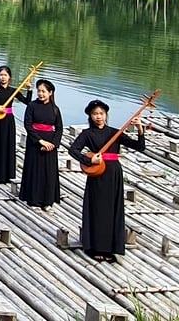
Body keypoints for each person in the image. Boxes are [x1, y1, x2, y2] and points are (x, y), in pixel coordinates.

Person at [69, 99, 146, 262]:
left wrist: (139, 128)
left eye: (101, 114)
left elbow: (139, 147)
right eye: (95, 114)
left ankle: (111, 248)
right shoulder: (87, 134)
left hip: (113, 174)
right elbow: (73, 150)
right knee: (97, 210)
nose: (99, 117)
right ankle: (95, 247)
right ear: (90, 116)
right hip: (97, 174)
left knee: (112, 210)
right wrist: (89, 160)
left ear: (106, 115)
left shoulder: (115, 133)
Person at [0, 65, 31, 184]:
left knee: (8, 144)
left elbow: (27, 102)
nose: (3, 77)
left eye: (5, 75)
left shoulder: (14, 91)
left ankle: (8, 174)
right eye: (1, 75)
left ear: (9, 77)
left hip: (9, 121)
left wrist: (29, 90)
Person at [19, 79, 63, 210]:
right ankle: (34, 200)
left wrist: (53, 144)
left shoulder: (55, 109)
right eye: (39, 91)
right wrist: (40, 141)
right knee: (34, 170)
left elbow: (59, 128)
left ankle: (47, 201)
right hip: (35, 142)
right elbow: (27, 125)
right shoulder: (32, 106)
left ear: (50, 93)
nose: (41, 94)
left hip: (50, 144)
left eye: (44, 91)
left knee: (49, 172)